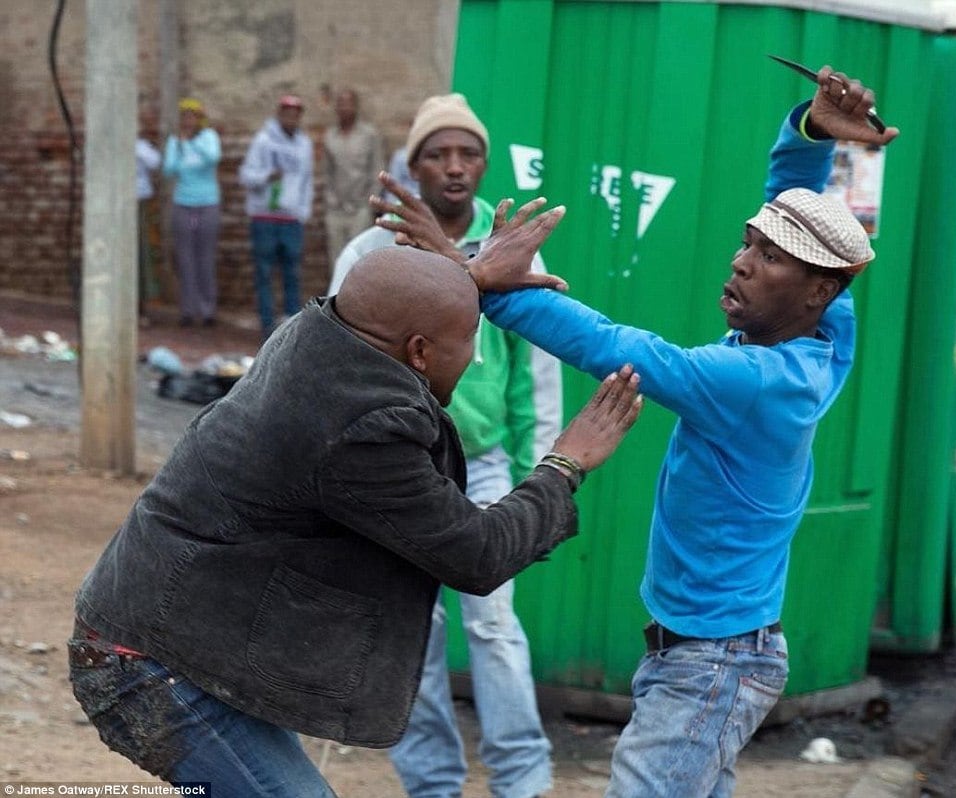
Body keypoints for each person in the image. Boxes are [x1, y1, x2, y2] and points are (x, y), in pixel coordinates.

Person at [373, 66, 899, 798]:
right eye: (749, 242)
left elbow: (622, 348)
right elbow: (793, 207)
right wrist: (810, 132)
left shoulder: (753, 382)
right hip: (711, 654)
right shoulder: (824, 333)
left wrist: (485, 284)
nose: (742, 260)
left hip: (711, 665)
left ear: (816, 292)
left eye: (769, 257)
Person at [68, 236, 641, 796]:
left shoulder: (320, 332)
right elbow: (478, 552)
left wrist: (464, 280)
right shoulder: (363, 427)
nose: (474, 354)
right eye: (470, 339)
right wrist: (566, 463)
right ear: (419, 351)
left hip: (169, 635)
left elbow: (387, 302)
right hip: (153, 667)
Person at [330, 92, 562, 798]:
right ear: (414, 165)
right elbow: (334, 364)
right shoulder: (372, 253)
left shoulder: (510, 247)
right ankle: (431, 783)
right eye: (438, 154)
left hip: (486, 464)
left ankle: (522, 779)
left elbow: (537, 369)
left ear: (484, 164)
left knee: (493, 625)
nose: (455, 168)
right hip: (403, 469)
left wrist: (538, 475)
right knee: (414, 632)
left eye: (468, 154)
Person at [239, 94, 315, 337]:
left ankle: (292, 326)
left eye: (296, 115)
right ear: (279, 114)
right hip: (264, 217)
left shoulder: (304, 145)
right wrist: (266, 177)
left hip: (291, 219)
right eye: (287, 114)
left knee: (292, 273)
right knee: (264, 273)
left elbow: (307, 180)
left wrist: (303, 212)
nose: (291, 119)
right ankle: (267, 325)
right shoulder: (263, 141)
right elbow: (246, 176)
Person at [162, 97, 222, 327]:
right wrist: (180, 146)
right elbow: (169, 169)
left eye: (192, 116)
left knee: (205, 258)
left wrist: (191, 143)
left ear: (199, 119)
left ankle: (208, 310)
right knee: (185, 259)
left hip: (207, 201)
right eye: (184, 117)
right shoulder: (175, 141)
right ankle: (187, 310)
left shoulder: (208, 137)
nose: (188, 121)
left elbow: (212, 158)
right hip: (183, 202)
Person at [322, 88, 383, 269]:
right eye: (340, 104)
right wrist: (331, 201)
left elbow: (377, 170)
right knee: (337, 261)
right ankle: (336, 298)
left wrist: (369, 201)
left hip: (360, 209)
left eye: (349, 103)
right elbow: (327, 173)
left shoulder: (369, 135)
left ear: (356, 107)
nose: (344, 108)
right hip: (335, 210)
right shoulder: (330, 137)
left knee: (359, 260)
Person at [135, 136, 161, 327]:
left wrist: (132, 145)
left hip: (140, 204)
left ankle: (141, 307)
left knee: (142, 256)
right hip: (113, 206)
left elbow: (155, 162)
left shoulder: (141, 146)